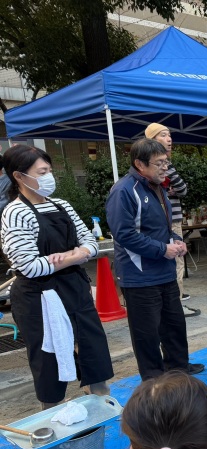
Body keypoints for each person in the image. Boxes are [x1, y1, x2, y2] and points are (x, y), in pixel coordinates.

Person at [0, 144, 113, 408]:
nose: (48, 177)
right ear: (19, 176)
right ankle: (54, 414)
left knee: (93, 350)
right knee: (48, 360)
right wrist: (75, 255)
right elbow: (29, 267)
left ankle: (101, 405)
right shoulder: (15, 213)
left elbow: (91, 244)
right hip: (38, 297)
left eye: (49, 170)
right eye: (42, 172)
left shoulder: (62, 205)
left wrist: (70, 256)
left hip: (75, 289)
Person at [106, 138, 203, 380]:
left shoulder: (158, 187)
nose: (165, 168)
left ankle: (179, 372)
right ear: (140, 164)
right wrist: (162, 249)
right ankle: (154, 382)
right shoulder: (124, 191)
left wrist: (175, 241)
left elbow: (161, 227)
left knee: (174, 327)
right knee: (147, 335)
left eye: (166, 162)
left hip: (164, 272)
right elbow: (124, 234)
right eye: (159, 163)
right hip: (139, 276)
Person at [143, 123, 194, 310]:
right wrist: (170, 190)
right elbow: (182, 189)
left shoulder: (153, 165)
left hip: (162, 219)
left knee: (169, 258)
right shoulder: (166, 165)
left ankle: (173, 301)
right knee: (176, 259)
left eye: (169, 135)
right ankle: (176, 302)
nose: (169, 139)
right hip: (170, 219)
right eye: (163, 135)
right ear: (152, 140)